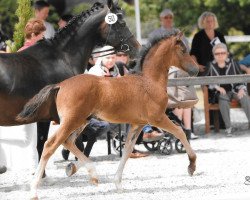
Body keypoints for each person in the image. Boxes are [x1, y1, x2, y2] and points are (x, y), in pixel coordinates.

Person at [149, 8, 198, 139]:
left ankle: (188, 129)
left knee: (186, 98)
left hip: (180, 68)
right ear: (161, 19)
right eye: (166, 17)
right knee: (175, 99)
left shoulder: (178, 33)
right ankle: (178, 129)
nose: (169, 19)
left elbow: (185, 50)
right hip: (163, 71)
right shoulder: (155, 34)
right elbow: (151, 53)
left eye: (170, 17)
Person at [206, 43, 250, 137]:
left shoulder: (233, 63)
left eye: (223, 53)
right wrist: (217, 87)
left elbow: (241, 79)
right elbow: (205, 82)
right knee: (223, 98)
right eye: (217, 53)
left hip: (234, 90)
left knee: (245, 97)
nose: (220, 55)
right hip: (219, 93)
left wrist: (242, 89)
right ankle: (228, 128)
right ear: (214, 55)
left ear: (227, 54)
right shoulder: (210, 65)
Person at [190, 11, 226, 76]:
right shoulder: (198, 36)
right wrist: (197, 66)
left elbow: (225, 52)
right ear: (202, 22)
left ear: (215, 22)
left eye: (212, 21)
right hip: (203, 69)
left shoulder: (220, 35)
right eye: (207, 21)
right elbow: (193, 54)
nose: (210, 23)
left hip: (219, 67)